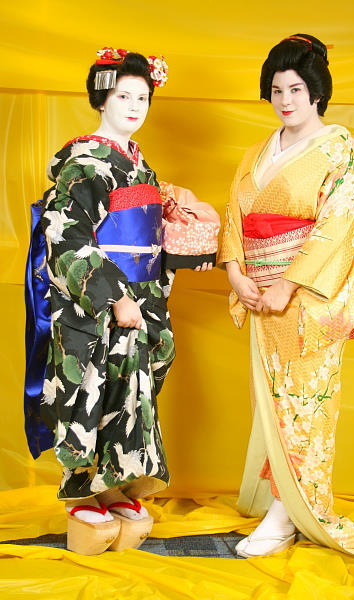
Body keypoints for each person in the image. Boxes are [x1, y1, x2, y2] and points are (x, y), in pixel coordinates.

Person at [31, 47, 215, 555]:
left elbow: (148, 235)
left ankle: (113, 487)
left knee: (133, 388)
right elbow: (66, 237)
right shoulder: (84, 162)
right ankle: (80, 493)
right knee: (93, 385)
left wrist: (178, 257)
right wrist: (112, 297)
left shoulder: (140, 164)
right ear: (102, 98)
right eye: (124, 95)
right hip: (98, 299)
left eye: (143, 97)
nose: (134, 105)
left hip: (143, 295)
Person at [218, 34, 354, 560]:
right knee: (268, 402)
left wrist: (288, 284)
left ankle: (290, 514)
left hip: (304, 302)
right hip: (258, 294)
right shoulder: (256, 152)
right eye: (276, 90)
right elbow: (234, 216)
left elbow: (337, 227)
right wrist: (235, 273)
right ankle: (279, 500)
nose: (285, 100)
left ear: (317, 93)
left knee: (305, 407)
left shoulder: (337, 151)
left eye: (296, 88)